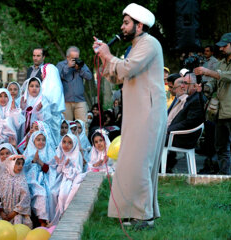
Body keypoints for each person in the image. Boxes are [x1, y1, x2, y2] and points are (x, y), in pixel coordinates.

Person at [93, 3, 166, 229]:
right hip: (137, 112)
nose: (122, 28)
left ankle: (144, 217)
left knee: (140, 163)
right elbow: (118, 76)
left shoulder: (149, 43)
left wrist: (108, 55)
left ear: (139, 25)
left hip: (148, 111)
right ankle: (135, 212)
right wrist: (105, 59)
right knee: (130, 163)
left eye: (126, 23)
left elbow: (126, 69)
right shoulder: (135, 46)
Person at [195, 33, 231, 175]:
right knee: (220, 147)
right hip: (220, 112)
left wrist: (208, 71)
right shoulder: (221, 63)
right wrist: (204, 88)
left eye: (224, 46)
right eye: (220, 46)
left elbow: (230, 76)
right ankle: (224, 176)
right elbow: (213, 83)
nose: (221, 49)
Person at [166, 73, 205, 172]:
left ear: (195, 85)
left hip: (184, 138)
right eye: (182, 83)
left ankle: (158, 169)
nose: (182, 86)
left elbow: (190, 122)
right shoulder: (191, 98)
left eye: (185, 83)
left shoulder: (197, 100)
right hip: (178, 135)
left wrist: (169, 130)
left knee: (153, 140)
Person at [0, 155, 33, 228]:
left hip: (16, 213)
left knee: (18, 226)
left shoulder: (22, 179)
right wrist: (1, 211)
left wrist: (14, 212)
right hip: (2, 212)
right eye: (18, 163)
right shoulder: (2, 178)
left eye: (22, 164)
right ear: (11, 163)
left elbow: (25, 198)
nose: (20, 166)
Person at [23, 131, 58, 226]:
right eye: (38, 140)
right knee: (40, 194)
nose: (41, 142)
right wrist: (33, 161)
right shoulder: (28, 152)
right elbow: (24, 168)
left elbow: (51, 170)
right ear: (33, 141)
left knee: (50, 192)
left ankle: (48, 219)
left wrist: (39, 161)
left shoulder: (50, 152)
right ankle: (42, 220)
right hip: (32, 180)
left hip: (46, 179)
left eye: (43, 140)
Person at [56, 46, 93, 124]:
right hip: (65, 101)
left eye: (77, 58)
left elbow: (89, 77)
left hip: (80, 100)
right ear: (67, 57)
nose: (76, 60)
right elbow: (56, 78)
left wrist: (80, 69)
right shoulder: (61, 65)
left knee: (83, 125)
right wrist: (67, 67)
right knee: (66, 125)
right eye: (73, 58)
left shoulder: (81, 65)